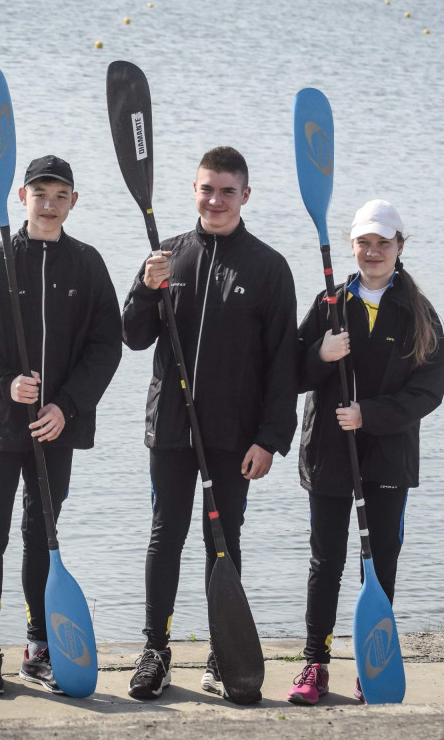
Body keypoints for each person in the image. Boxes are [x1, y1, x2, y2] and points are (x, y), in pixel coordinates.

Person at [122, 146, 298, 700]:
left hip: (232, 436)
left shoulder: (268, 267)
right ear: (193, 191)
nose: (215, 200)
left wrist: (271, 439)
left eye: (227, 190)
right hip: (171, 429)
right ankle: (157, 650)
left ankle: (224, 654)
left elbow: (283, 366)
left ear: (245, 195)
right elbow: (132, 334)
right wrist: (145, 290)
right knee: (164, 536)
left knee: (223, 539)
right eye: (206, 189)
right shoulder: (167, 254)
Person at [0, 155, 122, 696]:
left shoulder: (88, 265)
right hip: (1, 428)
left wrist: (66, 406)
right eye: (40, 193)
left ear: (74, 201)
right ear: (22, 196)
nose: (49, 204)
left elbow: (106, 346)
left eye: (60, 195)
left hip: (56, 428)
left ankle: (38, 647)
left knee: (41, 535)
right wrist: (3, 383)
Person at [286, 199, 444, 705]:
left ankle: (370, 664)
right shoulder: (330, 303)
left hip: (388, 461)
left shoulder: (418, 311)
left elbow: (429, 390)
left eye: (383, 243)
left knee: (378, 566)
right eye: (364, 243)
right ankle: (315, 663)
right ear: (352, 246)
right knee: (326, 561)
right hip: (330, 456)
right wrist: (320, 353)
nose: (373, 252)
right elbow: (291, 373)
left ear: (400, 247)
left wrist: (369, 415)